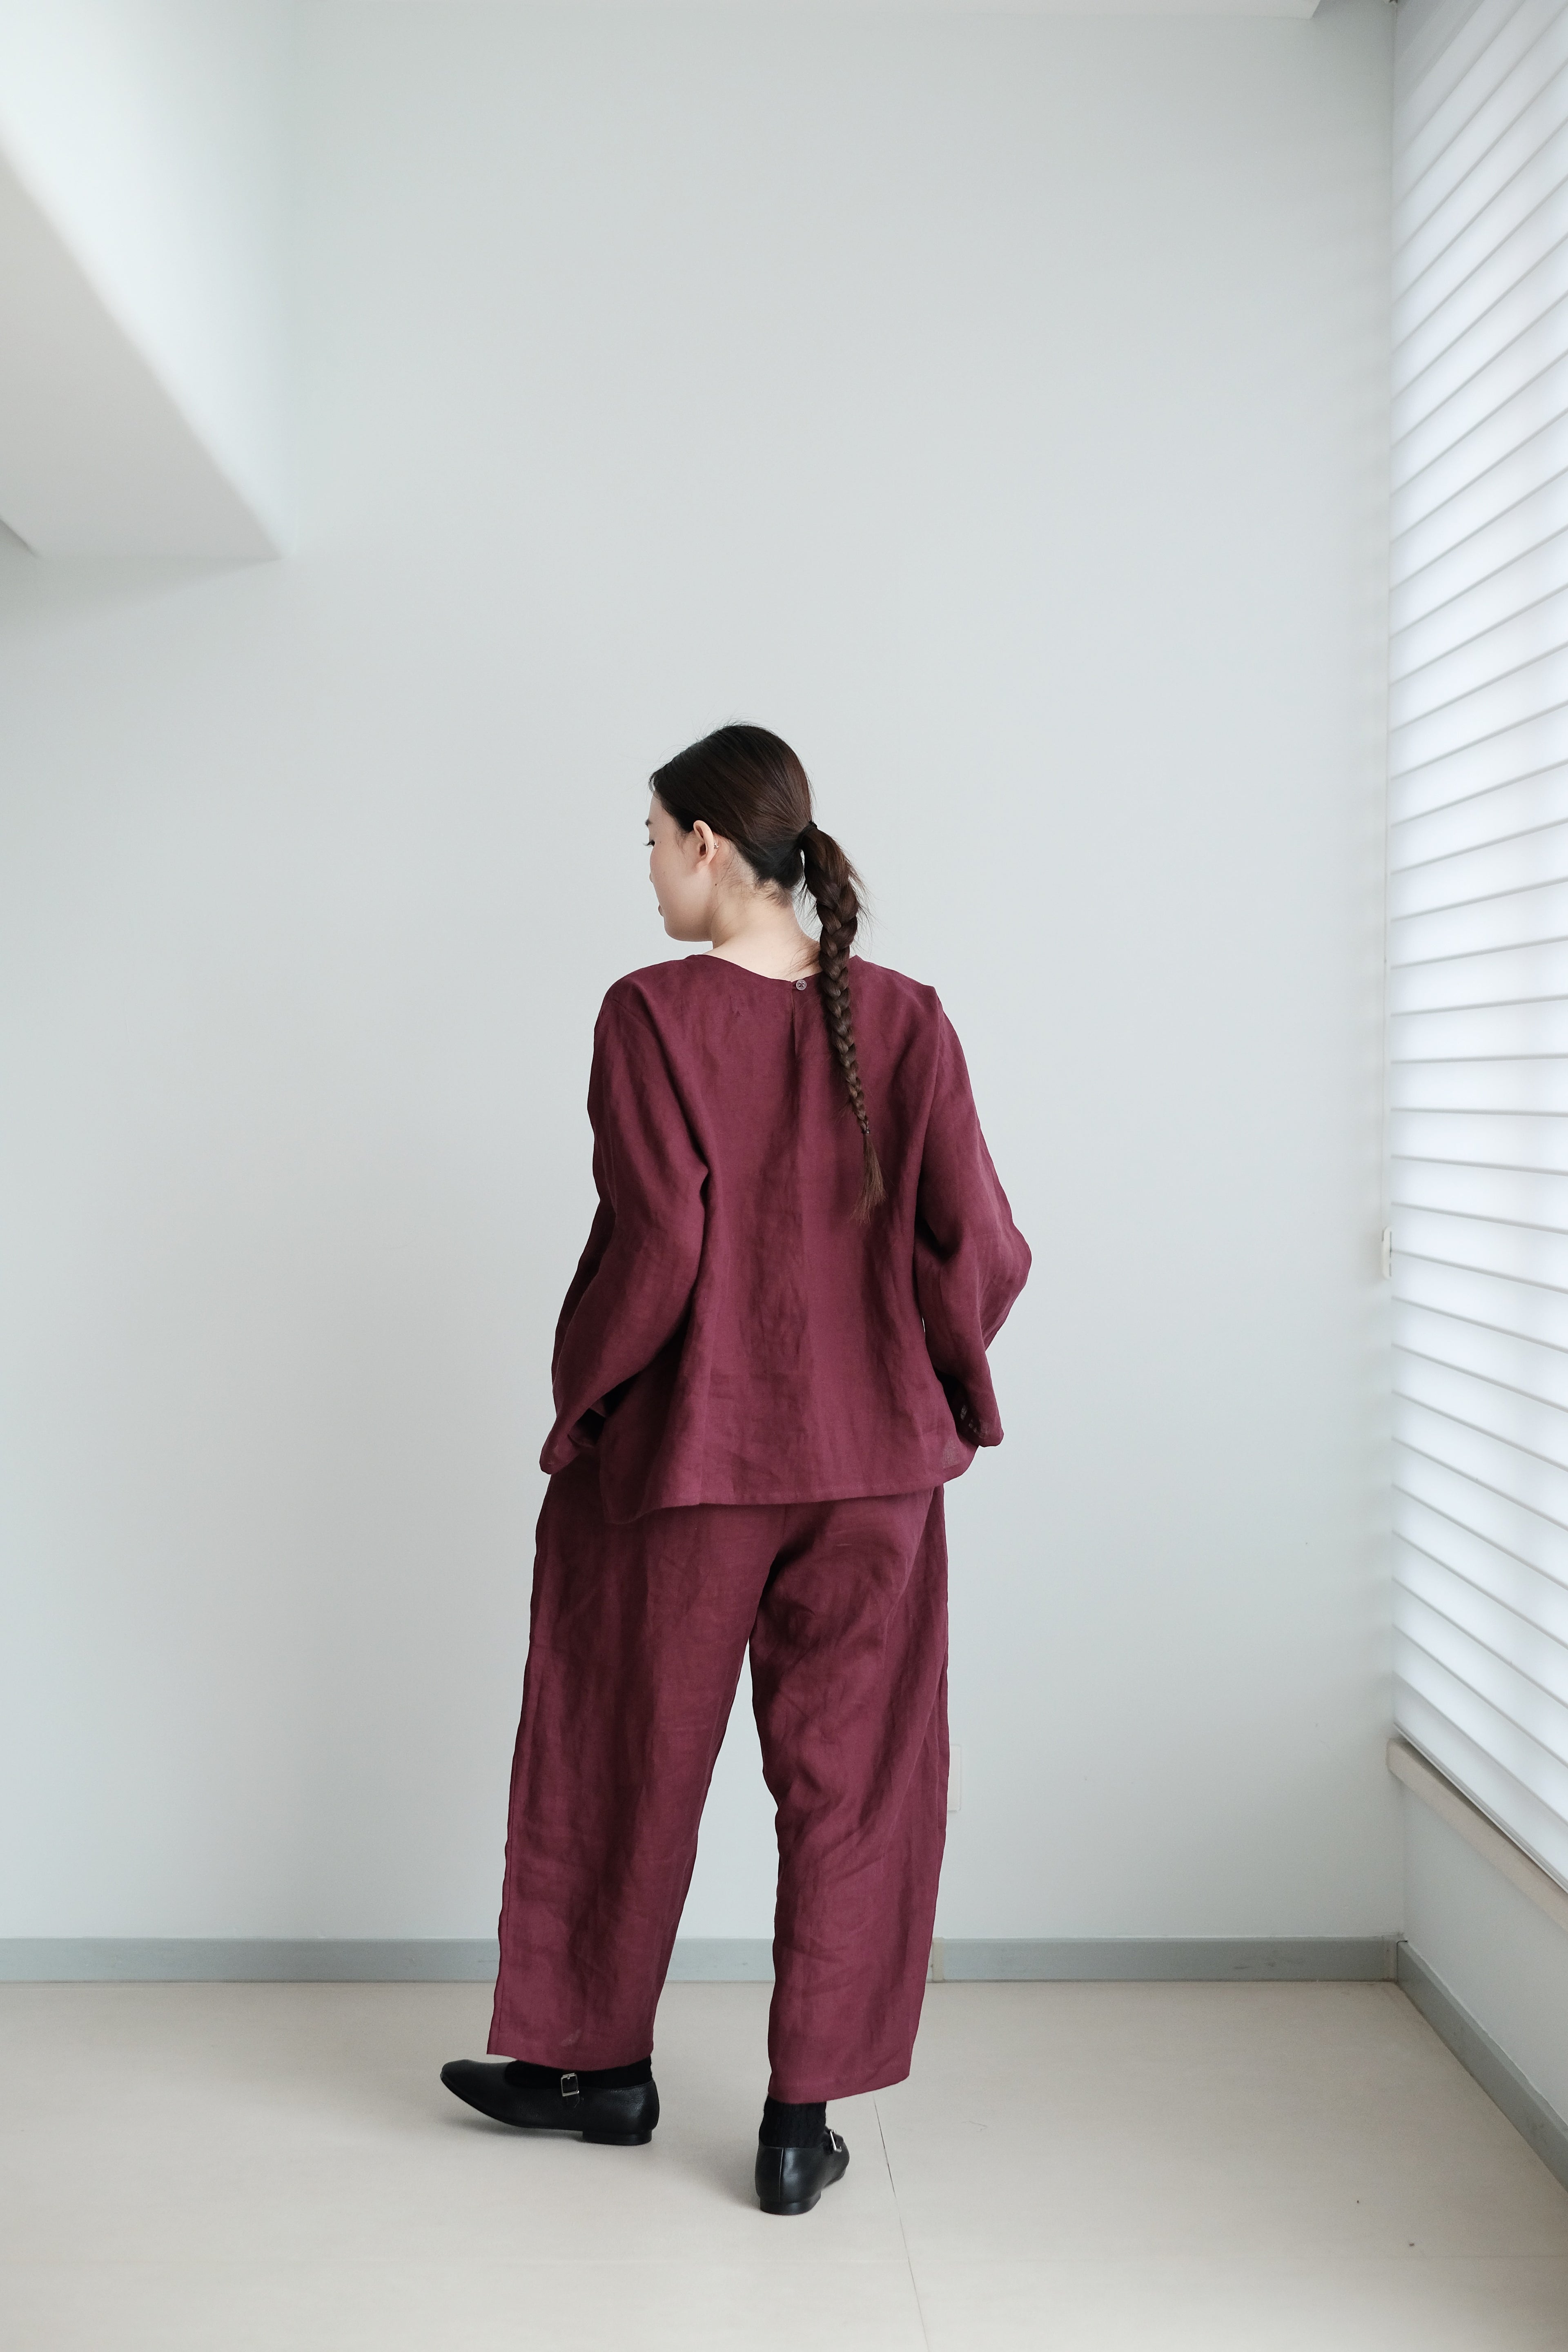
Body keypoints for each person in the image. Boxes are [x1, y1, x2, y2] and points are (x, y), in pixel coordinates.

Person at [441, 724, 1029, 2215]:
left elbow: (659, 1249)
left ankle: (599, 2071)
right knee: (856, 1785)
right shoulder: (907, 1019)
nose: (647, 872)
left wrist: (584, 1407)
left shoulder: (652, 1015)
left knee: (620, 1750)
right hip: (874, 1472)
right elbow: (983, 1244)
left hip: (700, 1459)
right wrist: (938, 1391)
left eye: (652, 841)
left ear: (708, 844)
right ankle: (795, 2124)